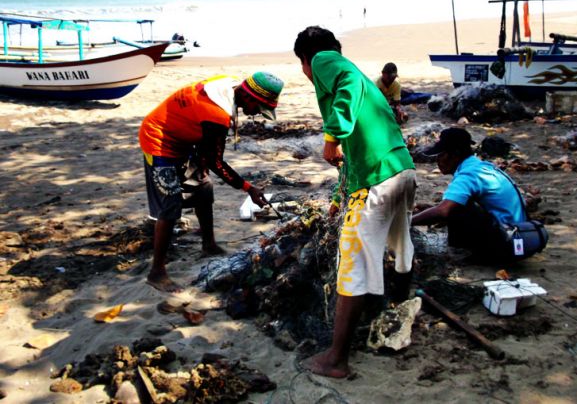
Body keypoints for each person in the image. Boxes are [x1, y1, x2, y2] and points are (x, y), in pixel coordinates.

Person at [293, 26, 417, 378]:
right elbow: (355, 159)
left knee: (353, 267)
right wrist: (337, 198)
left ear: (306, 59)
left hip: (378, 181)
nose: (309, 73)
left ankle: (336, 360)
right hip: (402, 171)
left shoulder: (325, 60)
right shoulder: (368, 85)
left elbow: (344, 85)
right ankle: (396, 310)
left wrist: (331, 136)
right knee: (400, 246)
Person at [139, 73, 284, 293]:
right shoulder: (217, 114)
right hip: (159, 140)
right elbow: (216, 162)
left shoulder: (229, 84)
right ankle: (156, 272)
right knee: (170, 206)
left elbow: (205, 145)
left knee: (204, 187)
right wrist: (249, 189)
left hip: (185, 139)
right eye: (258, 108)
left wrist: (201, 156)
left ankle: (209, 244)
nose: (256, 114)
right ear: (250, 97)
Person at [411, 127, 527, 261]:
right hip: (518, 236)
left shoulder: (469, 175)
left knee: (455, 209)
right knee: (455, 206)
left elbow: (443, 211)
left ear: (455, 153)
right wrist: (430, 210)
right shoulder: (481, 167)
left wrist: (408, 222)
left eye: (441, 155)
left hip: (507, 244)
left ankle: (463, 253)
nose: (437, 160)